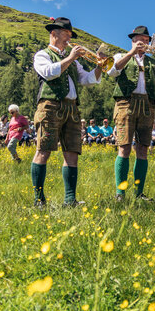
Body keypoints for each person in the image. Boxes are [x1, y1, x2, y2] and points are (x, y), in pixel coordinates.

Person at [30, 17, 103, 208]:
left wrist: (99, 66)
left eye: (70, 35)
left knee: (72, 152)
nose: (69, 39)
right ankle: (39, 199)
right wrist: (70, 57)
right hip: (50, 106)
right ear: (54, 34)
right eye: (66, 34)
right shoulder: (42, 55)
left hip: (72, 108)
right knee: (43, 150)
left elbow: (87, 80)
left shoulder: (72, 61)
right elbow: (48, 73)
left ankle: (70, 200)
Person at [108, 25, 155, 201]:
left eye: (146, 41)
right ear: (133, 41)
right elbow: (112, 70)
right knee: (124, 147)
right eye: (140, 40)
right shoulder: (121, 56)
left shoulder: (154, 61)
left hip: (147, 105)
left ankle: (139, 193)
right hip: (125, 105)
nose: (143, 43)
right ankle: (120, 193)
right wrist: (131, 53)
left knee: (143, 149)